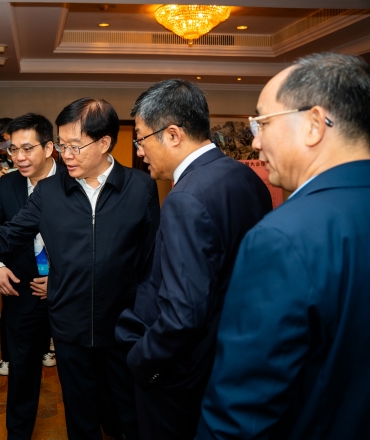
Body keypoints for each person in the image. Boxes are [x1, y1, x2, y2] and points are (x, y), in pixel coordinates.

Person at [0, 98, 160, 440]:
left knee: (124, 412)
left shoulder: (140, 188)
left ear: (104, 142)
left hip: (121, 325)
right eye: (62, 145)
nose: (66, 154)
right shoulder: (50, 191)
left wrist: (144, 318)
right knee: (80, 415)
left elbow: (150, 261)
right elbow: (6, 234)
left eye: (75, 146)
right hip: (70, 327)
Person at [197, 53, 370, 439]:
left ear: (314, 124)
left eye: (262, 123)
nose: (255, 141)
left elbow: (243, 412)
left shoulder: (284, 236)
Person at [115, 79, 272, 439]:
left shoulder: (186, 197)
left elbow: (184, 314)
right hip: (226, 357)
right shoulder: (245, 177)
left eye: (141, 139)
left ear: (173, 134)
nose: (140, 151)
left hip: (180, 373)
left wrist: (142, 360)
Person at [0, 113, 61, 438]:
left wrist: (60, 280)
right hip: (21, 292)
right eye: (13, 149)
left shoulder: (73, 181)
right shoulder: (8, 184)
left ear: (49, 148)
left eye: (27, 149)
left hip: (68, 294)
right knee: (21, 375)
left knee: (81, 376)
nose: (19, 157)